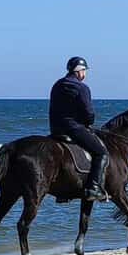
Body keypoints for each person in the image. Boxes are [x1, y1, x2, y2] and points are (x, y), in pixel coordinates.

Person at [50, 56, 108, 201]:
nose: (85, 74)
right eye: (84, 70)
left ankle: (63, 192)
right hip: (73, 129)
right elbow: (88, 113)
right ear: (79, 71)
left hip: (55, 129)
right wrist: (88, 122)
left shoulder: (57, 84)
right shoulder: (82, 88)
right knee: (101, 153)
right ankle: (94, 188)